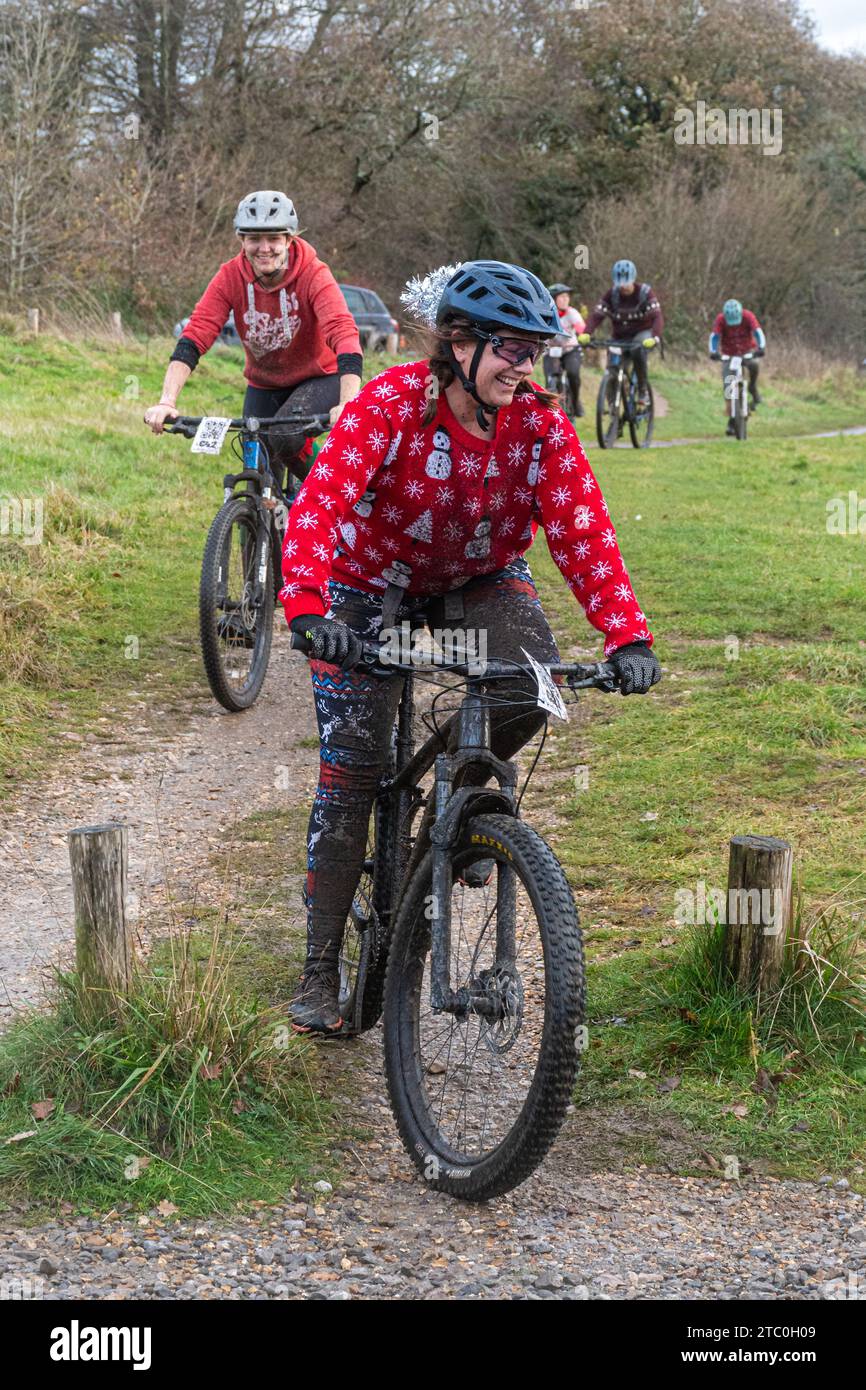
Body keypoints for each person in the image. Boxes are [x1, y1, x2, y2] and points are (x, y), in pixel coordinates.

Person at [278, 259, 661, 1034]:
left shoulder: (540, 425)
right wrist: (311, 608)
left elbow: (582, 530)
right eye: (510, 348)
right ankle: (321, 970)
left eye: (536, 350)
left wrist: (627, 634)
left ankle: (458, 810)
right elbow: (320, 505)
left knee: (527, 684)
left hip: (481, 575)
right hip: (367, 581)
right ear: (458, 344)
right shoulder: (390, 406)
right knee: (351, 773)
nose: (525, 366)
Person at [144, 190, 363, 481]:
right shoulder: (230, 276)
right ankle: (263, 517)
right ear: (241, 241)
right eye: (253, 238)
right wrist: (166, 400)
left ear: (289, 239)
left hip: (319, 378)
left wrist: (348, 402)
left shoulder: (313, 273)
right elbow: (195, 335)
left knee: (285, 437)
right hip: (265, 384)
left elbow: (343, 332)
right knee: (255, 463)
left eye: (273, 239)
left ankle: (329, 489)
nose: (264, 248)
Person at [579, 260, 663, 408]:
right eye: (620, 283)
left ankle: (642, 390)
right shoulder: (612, 294)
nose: (623, 287)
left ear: (633, 279)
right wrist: (586, 333)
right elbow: (597, 315)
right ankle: (613, 409)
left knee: (637, 350)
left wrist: (655, 336)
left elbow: (657, 316)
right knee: (612, 369)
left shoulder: (644, 292)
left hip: (642, 334)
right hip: (619, 337)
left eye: (627, 283)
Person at [709, 299, 766, 435]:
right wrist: (713, 352)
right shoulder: (720, 320)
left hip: (747, 351)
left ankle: (752, 386)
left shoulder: (748, 316)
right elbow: (714, 337)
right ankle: (732, 420)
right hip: (729, 354)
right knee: (728, 385)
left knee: (754, 365)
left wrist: (761, 347)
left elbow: (758, 332)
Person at [544, 282, 586, 417]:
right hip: (552, 350)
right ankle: (550, 412)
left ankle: (575, 401)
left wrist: (584, 335)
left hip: (570, 350)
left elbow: (580, 327)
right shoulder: (547, 314)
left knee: (573, 373)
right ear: (554, 299)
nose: (566, 299)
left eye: (567, 296)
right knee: (550, 377)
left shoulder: (572, 313)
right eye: (562, 297)